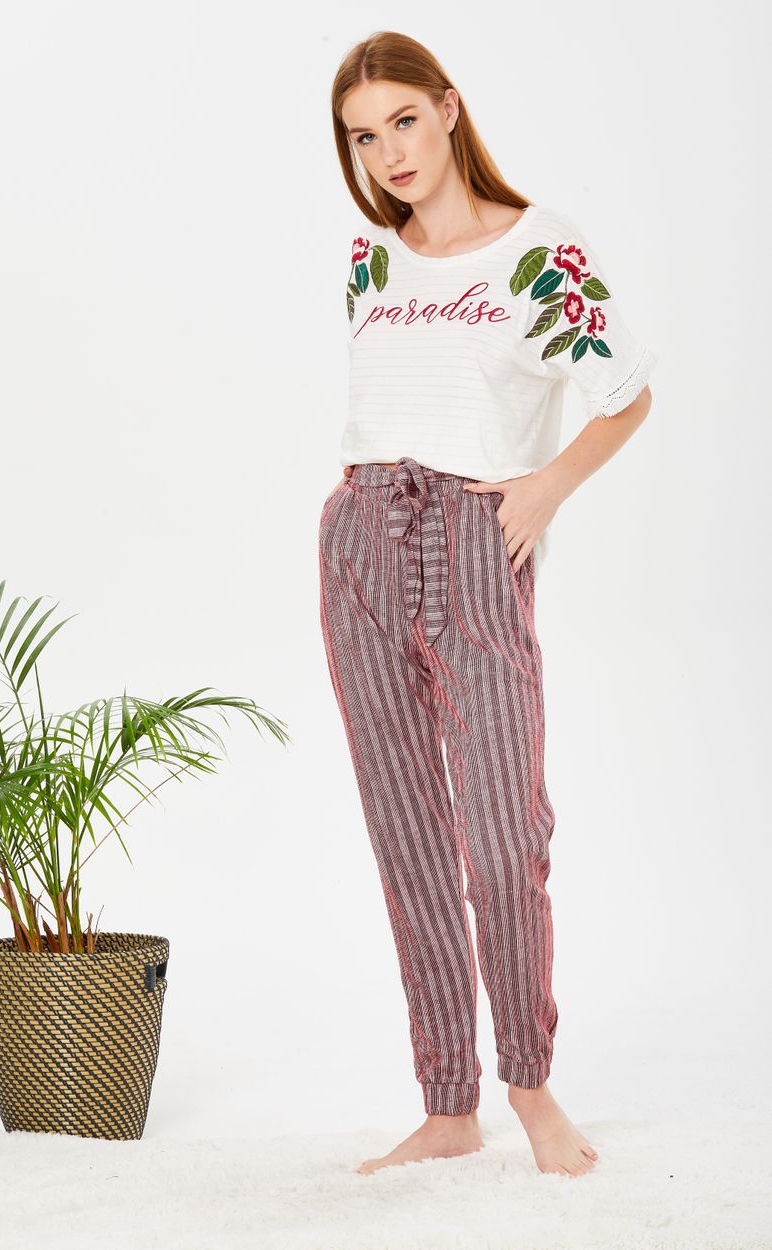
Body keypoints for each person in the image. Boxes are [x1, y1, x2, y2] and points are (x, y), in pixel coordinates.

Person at [319, 30, 657, 1180]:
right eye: (363, 136)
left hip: (476, 541)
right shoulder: (370, 261)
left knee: (507, 840)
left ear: (448, 108)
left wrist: (543, 488)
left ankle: (528, 1084)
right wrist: (357, 517)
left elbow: (624, 393)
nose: (388, 152)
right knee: (408, 835)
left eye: (403, 120)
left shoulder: (536, 253)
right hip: (361, 540)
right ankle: (446, 1103)